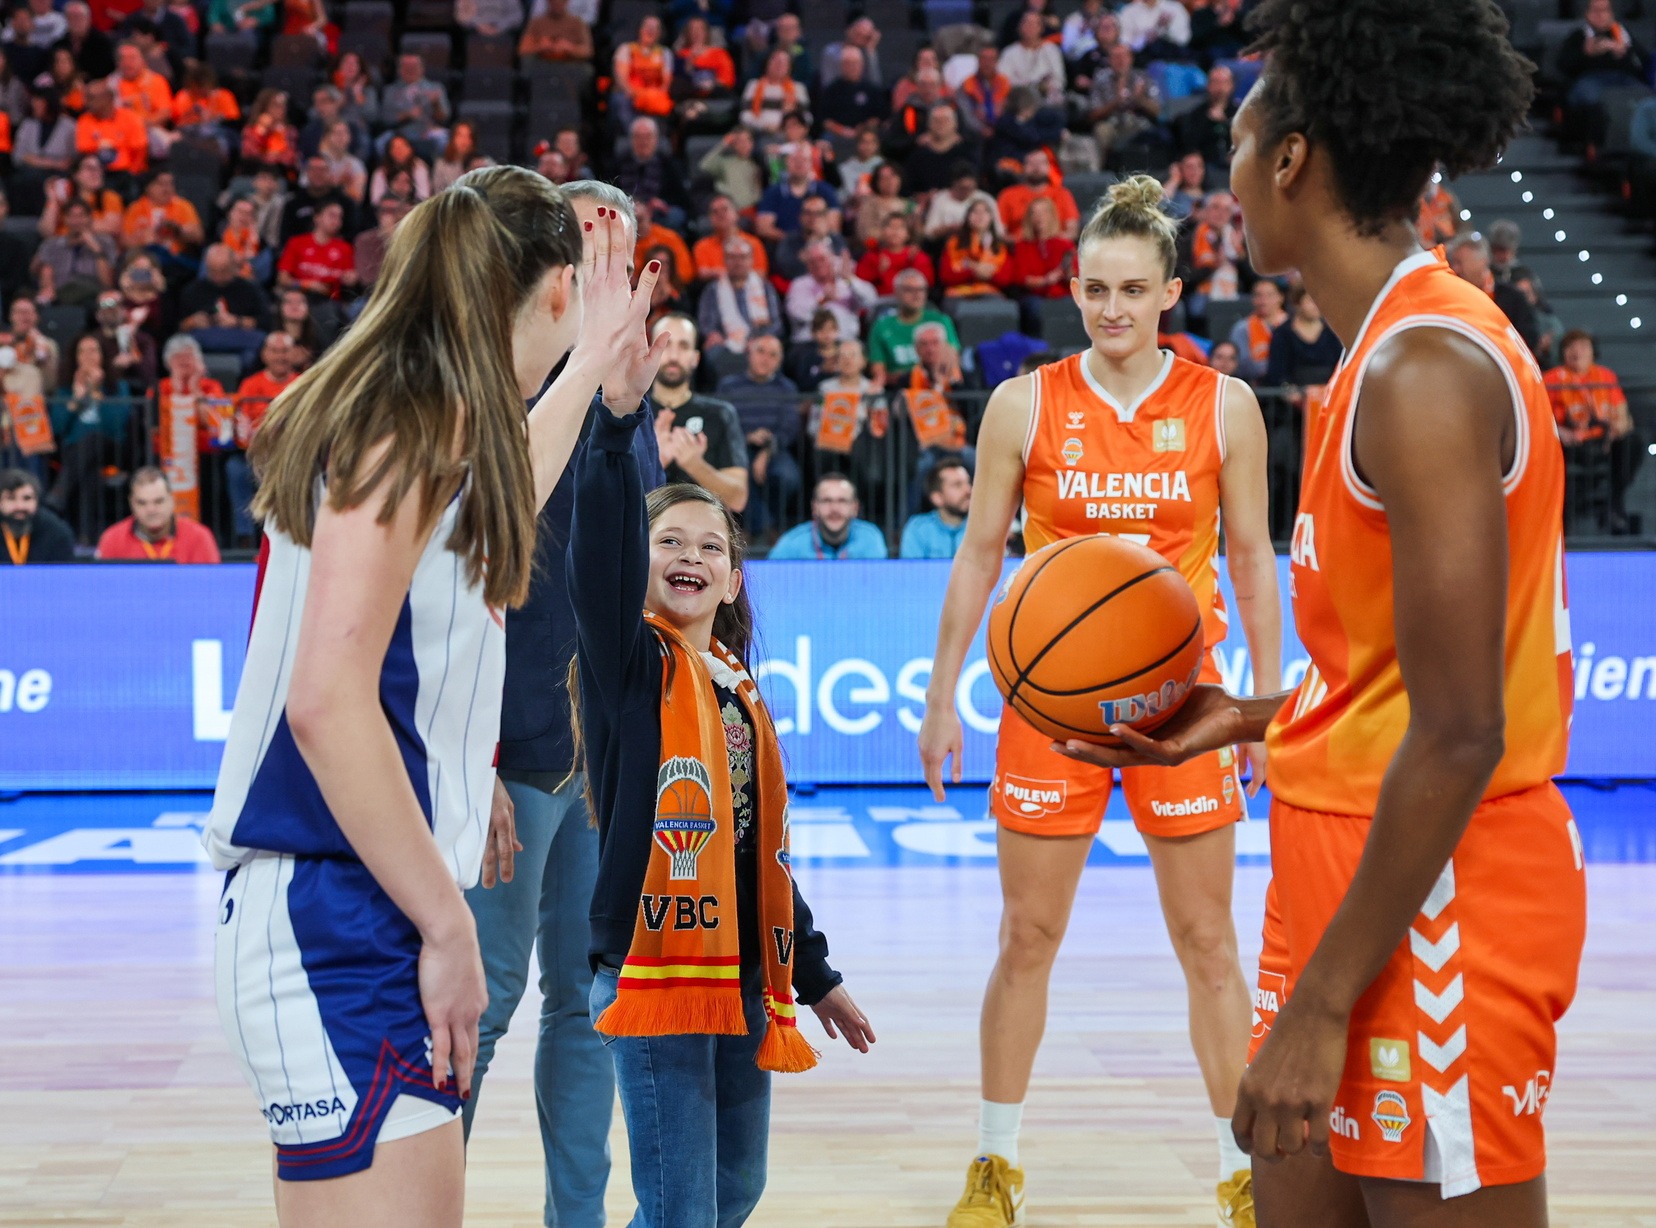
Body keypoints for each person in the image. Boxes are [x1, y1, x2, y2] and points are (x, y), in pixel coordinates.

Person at [1061, 4, 1583, 1226]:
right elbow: (1396, 677)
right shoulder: (1375, 355)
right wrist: (1251, 716)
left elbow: (1462, 729)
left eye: (1240, 145)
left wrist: (1319, 1004)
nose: (1230, 179)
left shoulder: (1424, 371)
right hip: (1345, 873)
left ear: (1292, 158)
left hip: (1437, 902)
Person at [201, 171, 663, 1227]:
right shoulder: (405, 423)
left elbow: (510, 491)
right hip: (336, 912)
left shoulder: (437, 418)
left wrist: (596, 365)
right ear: (557, 288)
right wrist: (450, 926)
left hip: (361, 907)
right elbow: (326, 702)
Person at [920, 176, 1280, 1228]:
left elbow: (1252, 558)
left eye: (1132, 289)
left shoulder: (1225, 405)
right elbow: (978, 554)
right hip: (1054, 708)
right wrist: (942, 693)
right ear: (1073, 289)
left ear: (1171, 291)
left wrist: (1261, 706)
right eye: (1093, 289)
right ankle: (996, 1164)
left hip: (1185, 703)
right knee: (1027, 935)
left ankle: (1241, 1171)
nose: (1111, 308)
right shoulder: (1024, 403)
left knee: (1208, 942)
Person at [569, 404, 873, 1225]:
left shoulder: (739, 692)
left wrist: (815, 975)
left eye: (711, 547)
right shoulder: (628, 666)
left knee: (734, 1191)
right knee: (682, 1211)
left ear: (734, 579)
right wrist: (614, 426)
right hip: (653, 970)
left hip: (742, 973)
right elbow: (594, 551)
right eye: (669, 541)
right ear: (635, 563)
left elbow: (755, 854)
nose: (691, 556)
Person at [455, 180, 665, 1228]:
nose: (597, 266)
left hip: (603, 757)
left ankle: (573, 1221)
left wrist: (626, 407)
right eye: (583, 245)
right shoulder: (488, 390)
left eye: (614, 245)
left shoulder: (625, 390)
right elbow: (459, 595)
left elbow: (643, 561)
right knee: (482, 1001)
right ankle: (413, 1206)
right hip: (510, 747)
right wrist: (476, 757)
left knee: (589, 1005)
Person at [1547, 328, 1644, 534]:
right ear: (1563, 352)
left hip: (1603, 442)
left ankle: (1614, 503)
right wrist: (1559, 432)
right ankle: (1562, 519)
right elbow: (1540, 416)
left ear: (1593, 351)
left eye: (1583, 347)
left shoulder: (1605, 376)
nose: (1577, 352)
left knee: (1633, 441)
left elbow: (1623, 414)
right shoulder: (1552, 379)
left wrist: (1618, 428)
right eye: (1571, 347)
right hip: (1570, 443)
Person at [651, 313, 749, 513]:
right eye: (665, 345)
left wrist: (694, 464)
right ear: (649, 352)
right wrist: (655, 462)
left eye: (684, 346)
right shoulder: (628, 413)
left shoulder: (720, 414)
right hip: (643, 529)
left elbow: (738, 499)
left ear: (695, 358)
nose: (674, 356)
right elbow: (603, 496)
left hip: (701, 527)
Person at [717, 333, 802, 539]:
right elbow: (720, 422)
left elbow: (790, 428)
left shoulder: (787, 388)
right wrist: (747, 437)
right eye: (761, 352)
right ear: (749, 354)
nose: (765, 359)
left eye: (773, 355)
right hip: (737, 447)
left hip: (775, 448)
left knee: (788, 477)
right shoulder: (729, 385)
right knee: (740, 472)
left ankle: (760, 526)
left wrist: (767, 449)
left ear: (780, 361)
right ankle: (763, 527)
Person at [223, 331, 301, 542]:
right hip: (255, 453)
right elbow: (241, 424)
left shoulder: (304, 383)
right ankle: (245, 537)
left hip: (292, 455)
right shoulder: (250, 384)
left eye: (285, 351)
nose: (280, 356)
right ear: (265, 354)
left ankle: (290, 535)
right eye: (275, 351)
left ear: (294, 354)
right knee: (235, 469)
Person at [94, 465, 221, 561]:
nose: (151, 510)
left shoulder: (199, 537)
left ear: (172, 500)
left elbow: (212, 586)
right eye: (142, 503)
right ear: (132, 504)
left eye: (158, 501)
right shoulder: (112, 539)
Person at [868, 269, 961, 388]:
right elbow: (879, 375)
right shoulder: (881, 327)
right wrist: (913, 377)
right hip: (898, 389)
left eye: (921, 289)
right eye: (909, 290)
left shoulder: (941, 320)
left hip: (938, 386)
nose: (916, 295)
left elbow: (953, 361)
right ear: (897, 292)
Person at [697, 236, 782, 358]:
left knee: (769, 350)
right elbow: (706, 323)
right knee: (713, 352)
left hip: (760, 341)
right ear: (724, 260)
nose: (738, 262)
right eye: (732, 257)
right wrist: (713, 334)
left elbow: (776, 323)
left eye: (743, 257)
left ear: (751, 260)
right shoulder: (712, 289)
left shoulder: (765, 287)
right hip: (725, 343)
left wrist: (759, 339)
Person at [768, 472, 887, 559]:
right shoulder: (792, 543)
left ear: (855, 508)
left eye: (842, 501)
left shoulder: (870, 538)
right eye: (826, 501)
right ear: (814, 508)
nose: (834, 509)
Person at [277, 200, 355, 300]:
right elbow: (282, 279)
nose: (336, 221)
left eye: (340, 217)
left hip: (330, 301)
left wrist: (351, 278)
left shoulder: (345, 248)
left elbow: (350, 278)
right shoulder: (296, 243)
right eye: (332, 215)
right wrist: (307, 285)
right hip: (299, 296)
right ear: (317, 217)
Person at [997, 150, 1080, 243]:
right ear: (1023, 167)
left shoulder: (1063, 194)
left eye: (1041, 162)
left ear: (1049, 167)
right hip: (1019, 247)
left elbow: (1072, 231)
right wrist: (1024, 243)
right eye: (1031, 163)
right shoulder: (1008, 195)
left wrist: (1050, 242)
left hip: (1055, 246)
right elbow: (1000, 232)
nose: (1036, 167)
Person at [899, 452, 971, 558]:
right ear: (937, 498)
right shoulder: (918, 529)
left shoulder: (982, 527)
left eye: (968, 483)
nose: (968, 490)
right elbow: (911, 567)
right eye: (957, 485)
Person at [940, 197, 1014, 298]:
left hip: (990, 294)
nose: (980, 215)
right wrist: (974, 272)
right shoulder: (953, 243)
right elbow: (946, 276)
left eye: (985, 211)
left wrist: (989, 275)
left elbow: (1005, 279)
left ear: (992, 217)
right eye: (975, 211)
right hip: (959, 294)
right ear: (967, 217)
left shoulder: (1000, 246)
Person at [0, 468, 76, 563]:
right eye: (11, 498)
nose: (19, 506)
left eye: (27, 498)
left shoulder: (57, 532)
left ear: (37, 501)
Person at [856, 214, 935, 298]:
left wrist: (913, 263)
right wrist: (878, 271)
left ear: (908, 234)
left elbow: (928, 281)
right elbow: (859, 282)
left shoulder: (916, 255)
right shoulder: (873, 255)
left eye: (900, 227)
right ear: (883, 231)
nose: (895, 231)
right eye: (890, 226)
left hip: (910, 301)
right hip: (881, 300)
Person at [1228, 278, 1287, 384]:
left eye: (1269, 295)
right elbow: (1242, 365)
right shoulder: (1241, 329)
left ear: (1280, 297)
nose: (1263, 301)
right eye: (1258, 295)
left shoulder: (1294, 325)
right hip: (1257, 386)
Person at [518, 0, 592, 63]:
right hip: (542, 64)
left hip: (569, 65)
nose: (557, 2)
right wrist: (540, 46)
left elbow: (587, 51)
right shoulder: (536, 22)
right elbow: (523, 49)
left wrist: (570, 47)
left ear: (567, 1)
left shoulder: (578, 23)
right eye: (553, 1)